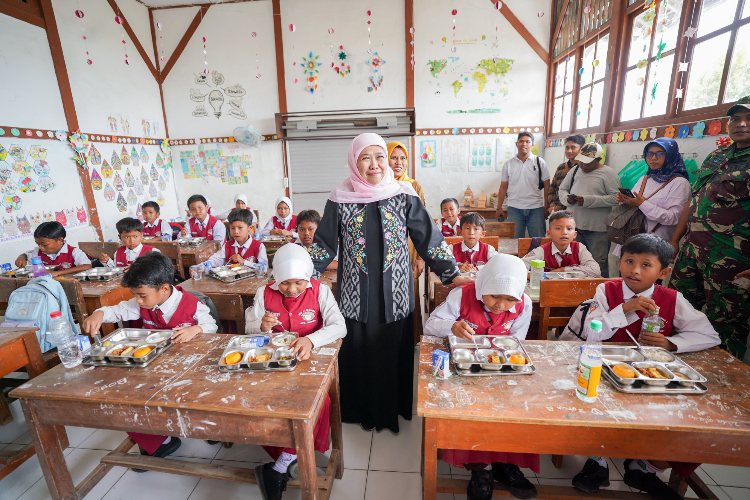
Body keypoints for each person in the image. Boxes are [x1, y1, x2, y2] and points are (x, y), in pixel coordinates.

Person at [310, 133, 469, 433]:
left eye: (379, 157)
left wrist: (451, 271)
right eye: (365, 158)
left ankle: (391, 410)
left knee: (389, 348)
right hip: (354, 293)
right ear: (354, 162)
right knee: (359, 349)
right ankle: (358, 411)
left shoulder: (404, 193)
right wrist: (303, 275)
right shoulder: (339, 197)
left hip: (395, 292)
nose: (374, 165)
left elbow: (428, 237)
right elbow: (323, 244)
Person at [561, 234, 719, 498]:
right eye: (630, 261)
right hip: (606, 372)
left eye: (646, 265)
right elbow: (591, 328)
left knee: (698, 427)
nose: (635, 270)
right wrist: (625, 308)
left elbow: (708, 335)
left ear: (663, 272)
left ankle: (644, 467)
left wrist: (670, 343)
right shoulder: (607, 290)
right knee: (589, 404)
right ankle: (597, 461)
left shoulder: (671, 298)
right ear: (620, 263)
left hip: (651, 376)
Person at [82, 253, 218, 471]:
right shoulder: (142, 303)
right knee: (120, 395)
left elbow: (211, 325)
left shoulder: (192, 304)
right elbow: (116, 310)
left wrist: (196, 328)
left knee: (201, 398)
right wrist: (99, 313)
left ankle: (210, 429)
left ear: (164, 289)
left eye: (142, 295)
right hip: (152, 367)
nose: (138, 300)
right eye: (135, 295)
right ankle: (162, 441)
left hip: (188, 366)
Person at [424, 254, 537, 500]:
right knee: (471, 410)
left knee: (514, 410)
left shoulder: (524, 304)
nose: (500, 305)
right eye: (495, 295)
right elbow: (430, 326)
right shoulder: (462, 295)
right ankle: (481, 467)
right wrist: (451, 327)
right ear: (483, 285)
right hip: (465, 369)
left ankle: (505, 462)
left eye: (509, 299)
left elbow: (518, 341)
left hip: (501, 371)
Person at [244, 244, 346, 499]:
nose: (291, 289)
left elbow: (339, 326)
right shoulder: (263, 292)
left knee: (317, 403)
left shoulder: (320, 290)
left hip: (309, 360)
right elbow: (248, 330)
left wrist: (311, 340)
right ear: (275, 279)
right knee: (264, 402)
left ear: (308, 278)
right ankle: (289, 457)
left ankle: (280, 466)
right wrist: (262, 326)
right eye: (285, 283)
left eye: (299, 283)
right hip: (271, 361)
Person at [669, 96, 750, 359]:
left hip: (731, 262)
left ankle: (721, 390)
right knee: (677, 313)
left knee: (724, 328)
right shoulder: (718, 156)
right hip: (692, 253)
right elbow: (694, 201)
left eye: (748, 119)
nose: (741, 124)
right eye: (735, 119)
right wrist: (675, 239)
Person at [613, 138, 690, 258]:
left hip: (655, 245)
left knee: (649, 275)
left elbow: (674, 218)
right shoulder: (644, 178)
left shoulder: (679, 182)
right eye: (649, 154)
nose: (653, 158)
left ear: (670, 155)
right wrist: (624, 201)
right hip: (631, 240)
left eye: (659, 153)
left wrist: (642, 204)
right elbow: (631, 209)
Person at [558, 142, 621, 277]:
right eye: (581, 162)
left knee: (597, 264)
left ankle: (600, 294)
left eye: (588, 163)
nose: (584, 166)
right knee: (574, 263)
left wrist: (589, 200)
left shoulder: (608, 173)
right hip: (574, 227)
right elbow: (562, 189)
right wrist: (567, 199)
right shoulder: (575, 170)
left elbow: (616, 198)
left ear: (598, 159)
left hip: (597, 230)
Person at [495, 132, 550, 238]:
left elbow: (547, 186)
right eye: (521, 141)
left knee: (538, 241)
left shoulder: (540, 162)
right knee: (514, 242)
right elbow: (503, 187)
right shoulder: (508, 164)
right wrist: (499, 208)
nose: (524, 144)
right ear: (516, 143)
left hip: (536, 208)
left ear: (532, 144)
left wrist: (546, 206)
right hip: (514, 208)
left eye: (527, 141)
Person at [521, 210, 601, 277]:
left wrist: (562, 270)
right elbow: (519, 267)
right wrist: (543, 276)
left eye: (569, 228)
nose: (564, 232)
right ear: (549, 233)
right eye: (558, 228)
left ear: (575, 234)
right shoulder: (542, 251)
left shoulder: (579, 248)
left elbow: (595, 271)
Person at [15, 221, 92, 276]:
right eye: (38, 244)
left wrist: (57, 273)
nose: (41, 247)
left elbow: (87, 266)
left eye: (44, 245)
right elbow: (25, 255)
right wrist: (21, 258)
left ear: (60, 241)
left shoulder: (73, 252)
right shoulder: (37, 252)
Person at [548, 134, 584, 214]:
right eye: (567, 147)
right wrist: (553, 206)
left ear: (581, 149)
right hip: (558, 212)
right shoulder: (561, 167)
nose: (569, 151)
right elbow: (552, 190)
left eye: (573, 147)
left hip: (577, 212)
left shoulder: (584, 169)